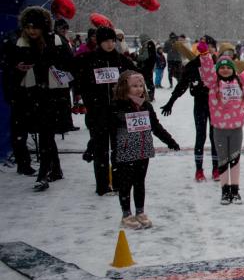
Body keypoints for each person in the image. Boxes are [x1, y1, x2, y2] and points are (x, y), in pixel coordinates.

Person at [197, 40, 244, 204]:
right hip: (219, 129)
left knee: (235, 159)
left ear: (233, 68)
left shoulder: (239, 80)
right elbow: (207, 70)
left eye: (228, 67)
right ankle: (225, 191)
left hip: (236, 128)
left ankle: (235, 190)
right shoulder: (213, 83)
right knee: (223, 159)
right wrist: (204, 55)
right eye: (222, 67)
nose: (225, 70)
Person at [5, 7, 73, 189]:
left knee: (46, 134)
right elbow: (7, 65)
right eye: (28, 27)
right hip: (26, 96)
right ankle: (54, 169)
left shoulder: (55, 41)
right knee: (42, 135)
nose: (31, 31)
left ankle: (44, 173)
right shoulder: (17, 41)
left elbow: (68, 66)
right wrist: (16, 69)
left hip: (50, 96)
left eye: (35, 27)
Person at [108, 71, 179, 229]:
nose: (139, 89)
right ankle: (126, 214)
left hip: (143, 150)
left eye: (141, 86)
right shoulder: (117, 106)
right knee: (125, 184)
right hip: (125, 152)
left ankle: (140, 211)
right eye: (134, 86)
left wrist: (170, 141)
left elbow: (155, 126)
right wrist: (94, 148)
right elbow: (105, 129)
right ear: (124, 87)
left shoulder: (145, 105)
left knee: (140, 182)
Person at [75, 25, 136, 195]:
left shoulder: (121, 60)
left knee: (118, 150)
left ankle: (117, 183)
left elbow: (136, 76)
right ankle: (102, 185)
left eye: (112, 41)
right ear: (99, 42)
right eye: (106, 41)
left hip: (118, 114)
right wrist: (91, 102)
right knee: (101, 150)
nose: (110, 44)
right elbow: (81, 83)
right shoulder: (89, 60)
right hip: (98, 113)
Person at [161, 38, 228, 182]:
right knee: (201, 136)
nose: (209, 50)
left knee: (215, 137)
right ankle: (199, 170)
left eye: (212, 47)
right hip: (200, 104)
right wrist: (170, 102)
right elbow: (182, 85)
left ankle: (216, 168)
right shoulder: (193, 65)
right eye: (206, 47)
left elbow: (233, 83)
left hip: (215, 105)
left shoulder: (220, 65)